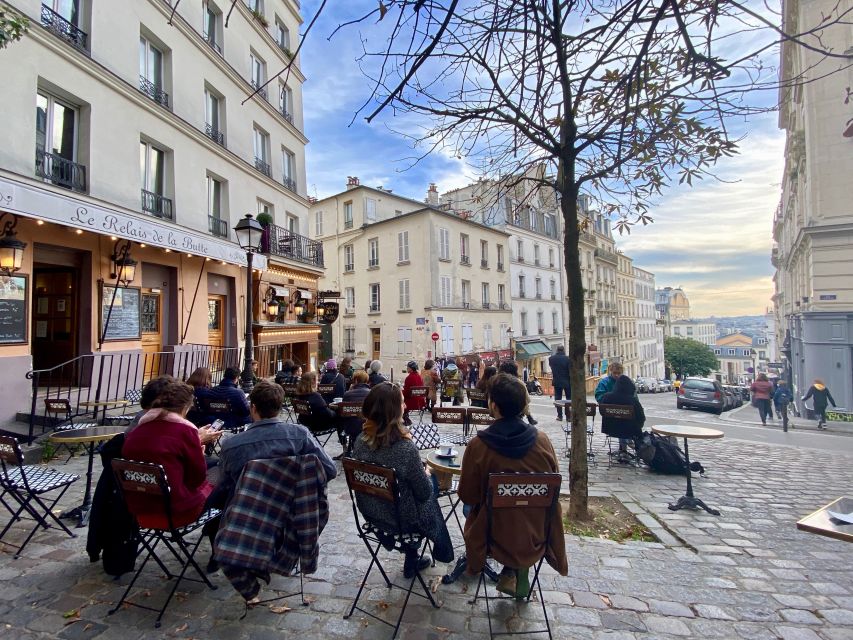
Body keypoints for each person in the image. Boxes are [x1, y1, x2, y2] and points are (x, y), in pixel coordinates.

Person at [457, 374, 567, 597]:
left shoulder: (478, 445)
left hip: (493, 534)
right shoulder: (543, 441)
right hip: (535, 532)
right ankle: (516, 569)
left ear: (494, 406)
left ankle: (510, 567)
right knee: (517, 511)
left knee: (475, 509)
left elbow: (468, 495)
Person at [351, 383, 453, 577]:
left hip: (372, 513)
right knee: (429, 486)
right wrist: (427, 473)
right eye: (403, 403)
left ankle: (413, 556)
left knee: (412, 487)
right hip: (400, 521)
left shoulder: (360, 441)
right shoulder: (405, 449)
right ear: (394, 411)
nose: (405, 406)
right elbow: (423, 494)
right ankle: (440, 548)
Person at [212, 381, 337, 507]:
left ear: (253, 408)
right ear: (279, 408)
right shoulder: (301, 436)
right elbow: (330, 470)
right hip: (291, 512)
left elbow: (223, 487)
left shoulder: (231, 445)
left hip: (248, 513)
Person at [121, 377, 222, 529]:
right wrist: (199, 455)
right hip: (177, 512)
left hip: (140, 512)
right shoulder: (185, 432)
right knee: (223, 479)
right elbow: (196, 479)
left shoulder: (135, 432)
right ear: (183, 408)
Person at [600, 375, 646, 464]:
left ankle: (623, 449)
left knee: (621, 426)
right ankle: (627, 447)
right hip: (630, 430)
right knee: (626, 427)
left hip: (611, 429)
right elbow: (641, 418)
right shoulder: (632, 400)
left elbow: (602, 412)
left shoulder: (606, 397)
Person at [337, 370, 371, 456]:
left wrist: (350, 390)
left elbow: (344, 413)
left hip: (351, 428)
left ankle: (346, 448)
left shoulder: (347, 394)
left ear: (355, 380)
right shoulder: (372, 393)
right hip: (368, 427)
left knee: (340, 419)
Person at [498, 361, 537, 425]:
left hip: (498, 412)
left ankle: (529, 416)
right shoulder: (519, 383)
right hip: (515, 412)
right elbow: (526, 400)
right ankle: (529, 416)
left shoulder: (496, 382)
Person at [548, 345, 572, 421]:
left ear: (557, 350)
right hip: (567, 381)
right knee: (569, 399)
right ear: (563, 350)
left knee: (558, 399)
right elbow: (570, 370)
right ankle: (568, 416)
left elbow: (552, 367)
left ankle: (559, 416)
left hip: (557, 380)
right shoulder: (568, 359)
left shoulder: (551, 359)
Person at [401, 360, 426, 426]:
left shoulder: (409, 377)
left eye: (408, 367)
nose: (407, 368)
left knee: (399, 401)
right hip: (420, 402)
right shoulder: (419, 376)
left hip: (412, 402)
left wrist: (400, 391)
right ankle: (406, 419)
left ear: (411, 369)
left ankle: (405, 419)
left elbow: (406, 393)